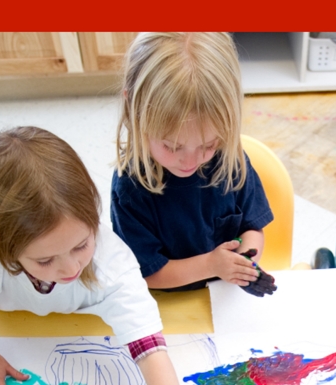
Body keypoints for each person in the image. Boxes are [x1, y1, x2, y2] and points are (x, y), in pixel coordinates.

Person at [0, 126, 177, 385]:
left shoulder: (111, 261)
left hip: (83, 326)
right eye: (45, 260)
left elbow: (148, 344)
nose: (70, 268)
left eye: (81, 245)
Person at [110, 32, 274, 293]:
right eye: (172, 146)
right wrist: (211, 265)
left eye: (208, 145)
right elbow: (147, 272)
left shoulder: (230, 161)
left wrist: (244, 264)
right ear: (135, 111)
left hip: (224, 300)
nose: (191, 160)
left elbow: (252, 229)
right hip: (167, 304)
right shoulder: (131, 186)